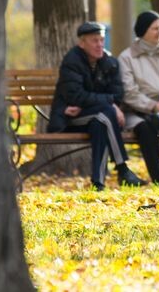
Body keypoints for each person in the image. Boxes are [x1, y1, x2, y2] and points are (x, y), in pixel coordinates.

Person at [48, 21, 147, 190]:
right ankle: (122, 169)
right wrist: (111, 104)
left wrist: (109, 103)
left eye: (101, 40)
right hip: (71, 118)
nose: (100, 44)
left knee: (100, 122)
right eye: (94, 40)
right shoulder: (72, 61)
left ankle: (98, 183)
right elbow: (76, 97)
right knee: (107, 112)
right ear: (82, 43)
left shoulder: (109, 62)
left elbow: (117, 94)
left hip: (97, 117)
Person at [117, 10, 159, 185]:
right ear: (143, 31)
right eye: (155, 28)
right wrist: (154, 106)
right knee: (145, 128)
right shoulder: (126, 58)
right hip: (135, 112)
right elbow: (129, 92)